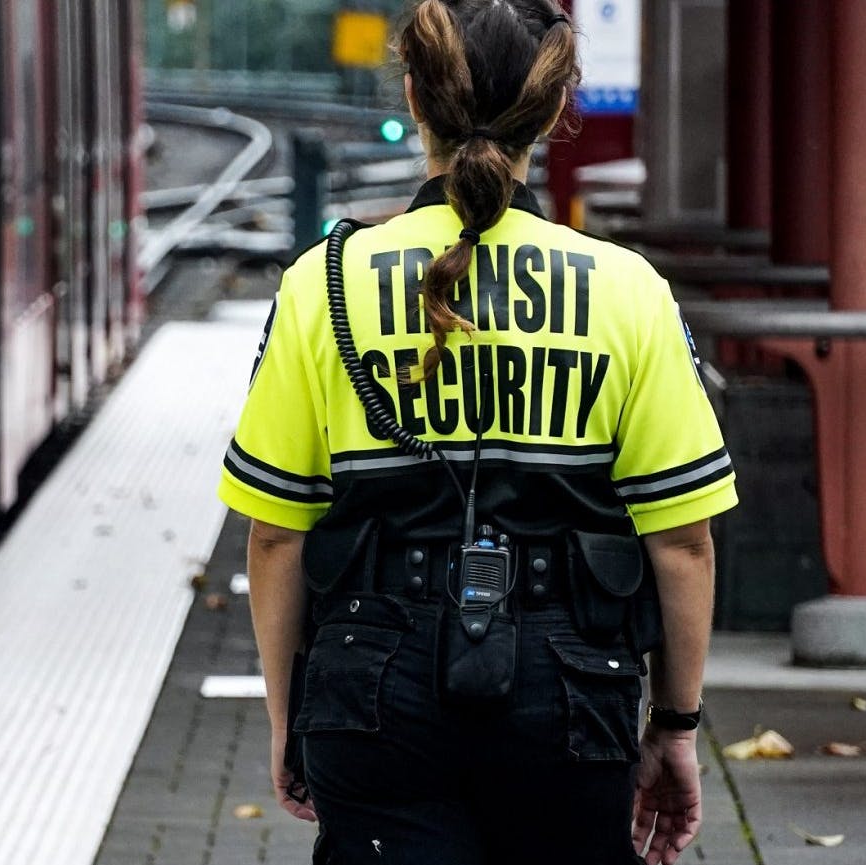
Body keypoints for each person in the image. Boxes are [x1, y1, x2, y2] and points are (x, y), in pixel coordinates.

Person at [217, 2, 738, 863]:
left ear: (415, 96)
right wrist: (674, 727)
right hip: (573, 688)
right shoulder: (629, 289)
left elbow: (275, 532)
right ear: (555, 104)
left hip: (370, 683)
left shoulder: (324, 283)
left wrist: (289, 718)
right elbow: (683, 540)